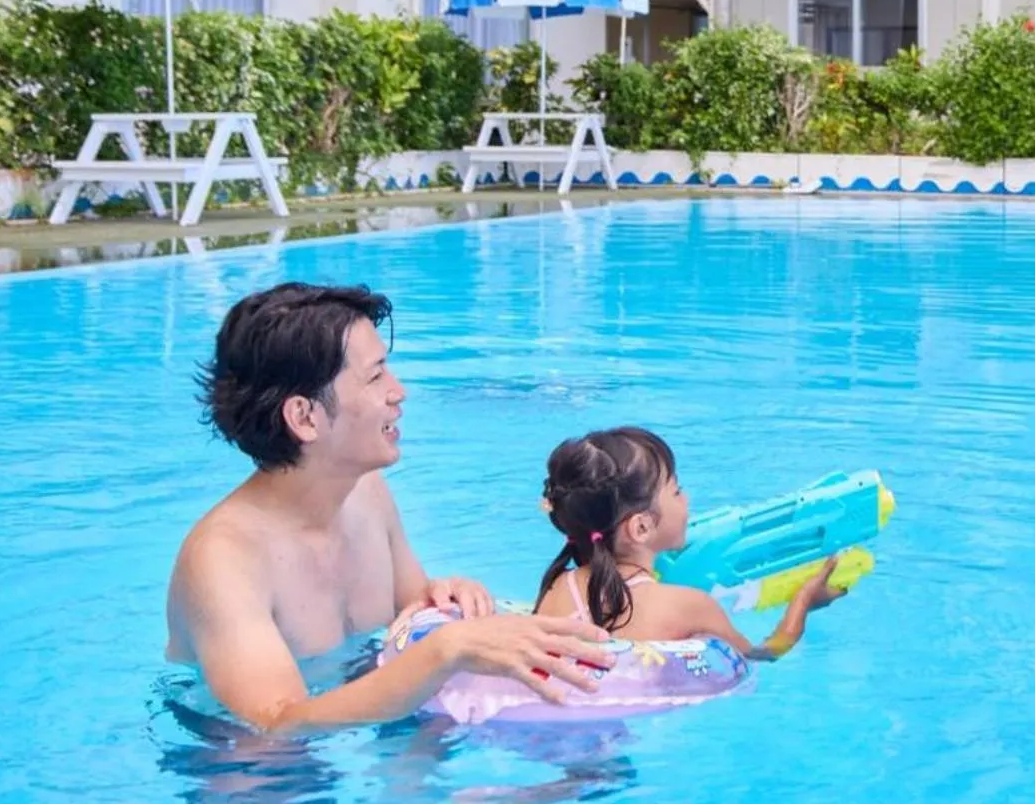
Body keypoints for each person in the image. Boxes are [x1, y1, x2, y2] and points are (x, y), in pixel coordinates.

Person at [166, 282, 612, 731]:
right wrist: (448, 648)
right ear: (304, 417)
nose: (399, 392)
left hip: (360, 717)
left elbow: (411, 619)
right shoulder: (223, 560)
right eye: (375, 376)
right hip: (233, 753)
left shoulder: (365, 493)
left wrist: (447, 599)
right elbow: (277, 726)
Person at [534, 426, 845, 659]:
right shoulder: (691, 606)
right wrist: (805, 601)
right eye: (677, 490)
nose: (687, 499)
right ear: (641, 527)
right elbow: (764, 654)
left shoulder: (557, 586)